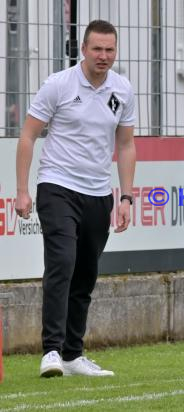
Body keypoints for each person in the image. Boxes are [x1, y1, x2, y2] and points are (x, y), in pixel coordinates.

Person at [15, 20, 136, 378]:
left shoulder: (123, 90)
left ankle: (72, 355)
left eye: (110, 50)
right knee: (62, 263)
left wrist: (126, 196)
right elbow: (27, 136)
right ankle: (50, 351)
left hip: (98, 194)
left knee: (85, 274)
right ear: (83, 49)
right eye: (97, 49)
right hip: (57, 186)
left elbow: (126, 144)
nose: (103, 56)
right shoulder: (58, 85)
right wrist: (22, 190)